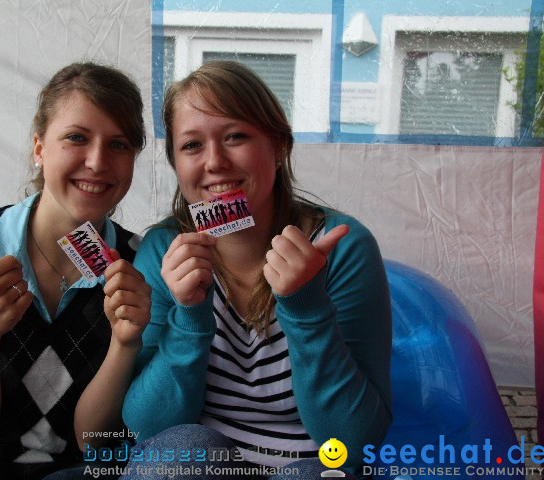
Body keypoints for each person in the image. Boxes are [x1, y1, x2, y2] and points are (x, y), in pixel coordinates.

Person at [121, 61, 392, 479]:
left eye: (235, 137)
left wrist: (307, 310)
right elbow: (147, 432)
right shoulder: (163, 250)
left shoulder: (340, 246)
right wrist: (190, 317)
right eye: (192, 145)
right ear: (176, 162)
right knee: (176, 457)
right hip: (205, 465)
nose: (215, 162)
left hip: (315, 463)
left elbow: (354, 444)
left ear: (279, 145)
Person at [0, 62, 150, 480]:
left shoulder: (139, 264)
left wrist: (125, 344)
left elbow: (98, 443)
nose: (97, 162)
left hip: (83, 462)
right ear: (39, 149)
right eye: (76, 137)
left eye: (119, 144)